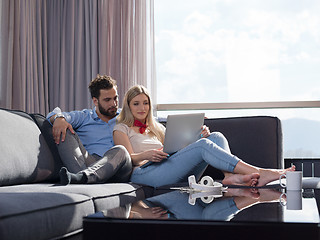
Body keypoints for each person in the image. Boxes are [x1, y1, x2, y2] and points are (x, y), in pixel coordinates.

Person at [113, 85, 295, 188]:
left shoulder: (157, 128)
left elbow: (176, 151)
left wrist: (198, 137)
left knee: (215, 136)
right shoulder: (121, 128)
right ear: (128, 106)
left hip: (166, 167)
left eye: (145, 103)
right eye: (136, 104)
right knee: (203, 146)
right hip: (144, 174)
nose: (142, 108)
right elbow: (125, 159)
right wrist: (147, 155)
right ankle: (259, 172)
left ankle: (229, 176)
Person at [46, 74, 132, 185]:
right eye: (107, 100)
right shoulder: (85, 117)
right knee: (64, 129)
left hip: (118, 167)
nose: (113, 104)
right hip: (91, 162)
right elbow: (53, 115)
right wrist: (59, 119)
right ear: (95, 101)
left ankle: (81, 178)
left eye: (115, 98)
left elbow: (150, 120)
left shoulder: (126, 115)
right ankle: (82, 177)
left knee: (121, 150)